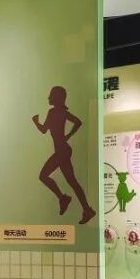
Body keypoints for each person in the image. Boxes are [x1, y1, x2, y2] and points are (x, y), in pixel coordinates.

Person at [32, 86, 96, 224]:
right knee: (72, 181)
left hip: (62, 151)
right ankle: (85, 208)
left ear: (56, 98)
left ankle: (64, 199)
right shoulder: (61, 112)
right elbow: (78, 122)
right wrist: (68, 136)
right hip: (63, 150)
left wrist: (36, 122)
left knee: (44, 176)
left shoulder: (53, 112)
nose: (48, 98)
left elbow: (43, 130)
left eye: (51, 96)